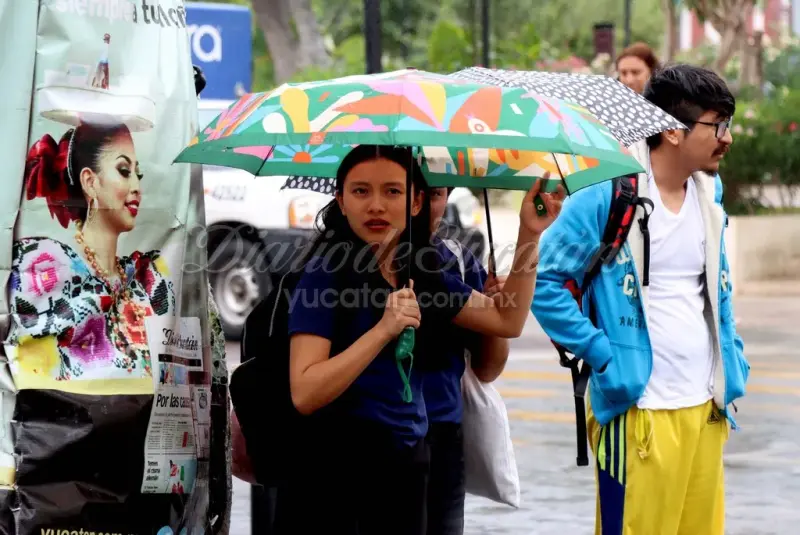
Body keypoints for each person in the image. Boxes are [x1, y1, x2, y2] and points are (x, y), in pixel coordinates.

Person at [277, 145, 562, 535]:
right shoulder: (325, 274)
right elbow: (305, 391)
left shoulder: (421, 271)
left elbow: (506, 319)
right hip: (337, 474)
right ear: (340, 201)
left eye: (392, 191)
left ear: (415, 203)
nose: (376, 205)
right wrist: (383, 330)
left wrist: (529, 233)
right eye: (361, 191)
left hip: (409, 463)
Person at [532, 64, 750, 535]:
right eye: (717, 125)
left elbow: (717, 290)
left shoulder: (709, 193)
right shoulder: (607, 193)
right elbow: (544, 282)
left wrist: (734, 363)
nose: (727, 138)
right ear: (672, 131)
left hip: (706, 408)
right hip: (638, 412)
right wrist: (602, 353)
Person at [8, 122, 174, 382]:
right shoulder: (45, 267)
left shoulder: (148, 278)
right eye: (123, 170)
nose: (136, 187)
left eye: (137, 174)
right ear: (90, 182)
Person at [422, 186, 510, 534]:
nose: (425, 204)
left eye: (436, 193)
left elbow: (487, 368)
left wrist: (495, 314)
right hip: (370, 438)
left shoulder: (456, 261)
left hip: (442, 432)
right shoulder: (349, 261)